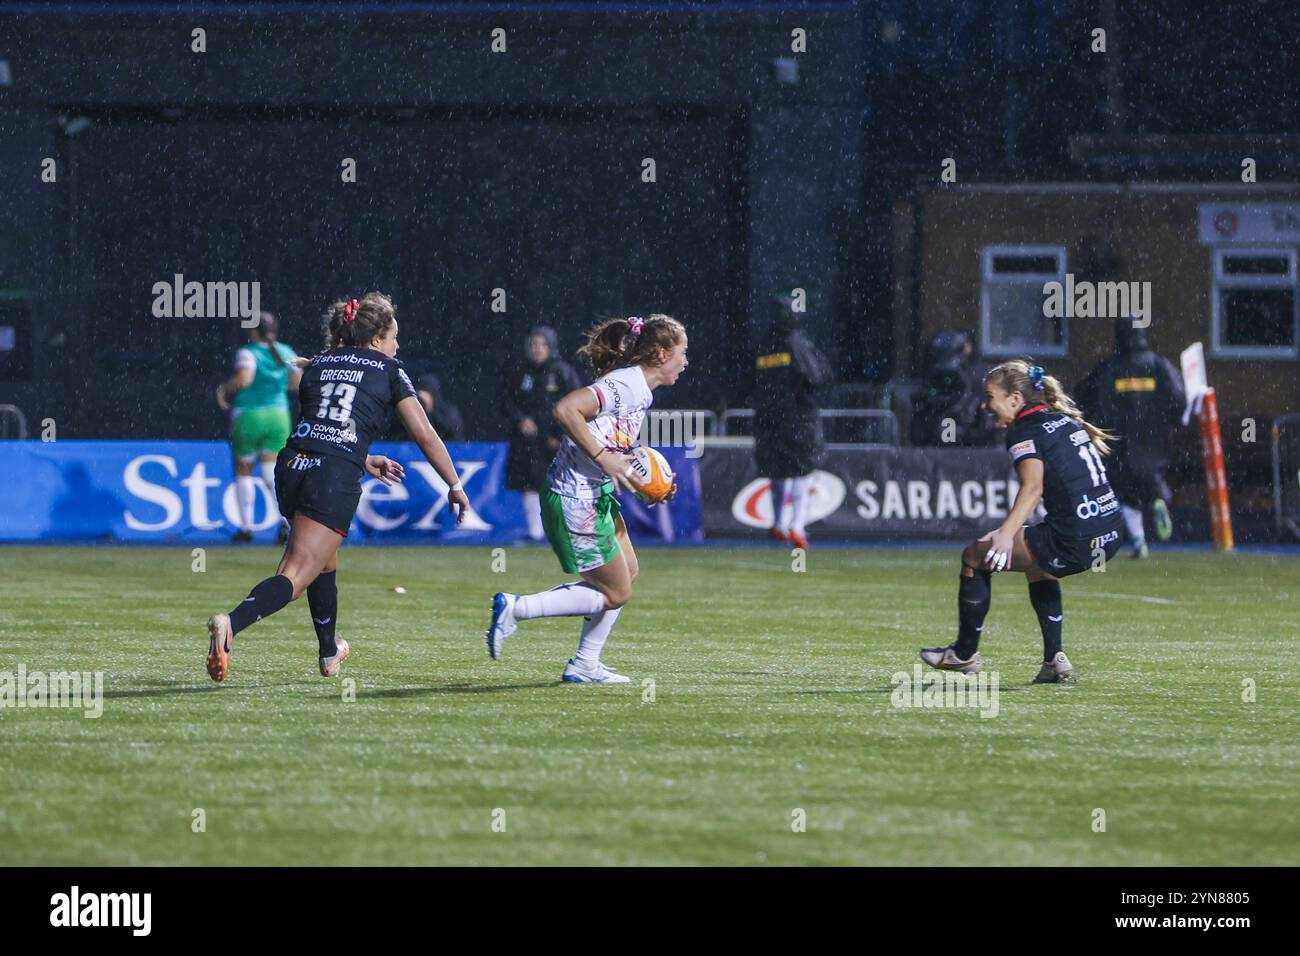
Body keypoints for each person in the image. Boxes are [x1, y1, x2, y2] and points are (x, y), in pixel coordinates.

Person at [206, 293, 470, 682]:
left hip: (293, 465)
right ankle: (231, 623)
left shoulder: (320, 364)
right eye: (395, 336)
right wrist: (455, 483)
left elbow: (324, 426)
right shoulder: (389, 368)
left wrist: (363, 459)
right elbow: (425, 434)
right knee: (295, 574)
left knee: (323, 560)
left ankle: (329, 652)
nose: (398, 345)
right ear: (378, 338)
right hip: (330, 476)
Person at [485, 314, 688, 683]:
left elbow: (613, 439)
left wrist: (649, 482)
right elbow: (565, 409)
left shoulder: (639, 387)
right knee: (615, 592)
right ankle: (516, 608)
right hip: (575, 498)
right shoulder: (627, 384)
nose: (685, 361)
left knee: (627, 574)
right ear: (660, 353)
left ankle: (585, 664)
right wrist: (602, 458)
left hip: (596, 494)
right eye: (682, 352)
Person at [920, 360, 1123, 684]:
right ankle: (1054, 659)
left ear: (1015, 399)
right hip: (1111, 531)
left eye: (990, 397)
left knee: (975, 556)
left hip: (1076, 536)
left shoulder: (1024, 431)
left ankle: (963, 655)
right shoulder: (1062, 420)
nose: (985, 405)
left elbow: (1033, 487)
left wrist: (1005, 533)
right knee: (1038, 564)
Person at [1075, 319, 1185, 558]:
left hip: (1120, 439)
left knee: (1124, 490)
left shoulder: (1110, 368)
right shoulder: (1159, 365)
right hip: (1154, 436)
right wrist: (1169, 418)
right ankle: (1158, 498)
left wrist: (1098, 425)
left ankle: (1138, 541)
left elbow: (1086, 398)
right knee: (1151, 476)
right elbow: (1178, 398)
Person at [753, 293, 829, 550]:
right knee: (802, 468)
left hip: (768, 418)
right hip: (799, 418)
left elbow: (752, 381)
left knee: (778, 468)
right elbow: (816, 377)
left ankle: (777, 522)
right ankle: (797, 525)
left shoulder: (764, 345)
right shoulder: (798, 343)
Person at [216, 313, 300, 543]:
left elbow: (245, 379)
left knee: (243, 470)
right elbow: (297, 381)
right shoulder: (286, 351)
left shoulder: (248, 353)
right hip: (279, 416)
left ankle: (246, 528)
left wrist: (224, 389)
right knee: (271, 471)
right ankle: (285, 523)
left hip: (250, 415)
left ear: (254, 332)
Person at [503, 326, 582, 542]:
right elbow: (507, 401)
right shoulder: (520, 372)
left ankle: (565, 532)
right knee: (529, 484)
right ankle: (535, 533)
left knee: (558, 485)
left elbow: (576, 403)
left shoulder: (562, 371)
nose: (537, 349)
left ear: (551, 347)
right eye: (533, 345)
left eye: (542, 345)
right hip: (527, 442)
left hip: (555, 442)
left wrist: (559, 433)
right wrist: (521, 419)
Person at [908, 329, 995, 447]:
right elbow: (917, 435)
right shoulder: (929, 382)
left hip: (970, 443)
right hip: (936, 441)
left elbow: (986, 430)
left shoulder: (980, 376)